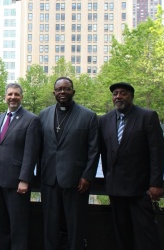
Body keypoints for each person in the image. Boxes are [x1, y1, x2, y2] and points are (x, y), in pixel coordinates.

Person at [98, 82, 164, 250]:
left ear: (131, 97)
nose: (118, 96)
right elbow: (104, 153)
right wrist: (108, 180)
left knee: (146, 236)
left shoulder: (147, 117)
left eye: (123, 93)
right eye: (115, 93)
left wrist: (156, 184)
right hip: (115, 189)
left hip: (141, 189)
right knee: (122, 234)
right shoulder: (105, 120)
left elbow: (156, 153)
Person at [39, 77, 99, 250]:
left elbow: (94, 150)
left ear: (73, 91)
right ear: (54, 93)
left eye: (66, 89)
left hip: (76, 180)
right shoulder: (44, 115)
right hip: (49, 179)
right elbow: (38, 147)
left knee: (75, 225)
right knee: (50, 225)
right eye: (59, 89)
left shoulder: (88, 116)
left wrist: (87, 176)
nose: (63, 92)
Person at [0, 83, 41, 249]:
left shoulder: (31, 120)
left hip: (17, 183)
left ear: (21, 97)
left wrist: (24, 179)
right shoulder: (0, 118)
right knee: (1, 225)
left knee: (18, 227)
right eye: (10, 94)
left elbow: (31, 153)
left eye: (16, 94)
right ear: (5, 97)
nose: (13, 97)